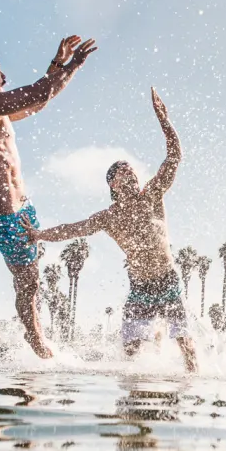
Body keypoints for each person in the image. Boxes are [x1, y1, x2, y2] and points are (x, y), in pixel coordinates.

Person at [23, 88, 197, 372]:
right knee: (129, 352)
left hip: (167, 281)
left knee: (186, 346)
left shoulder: (151, 195)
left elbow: (174, 156)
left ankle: (191, 388)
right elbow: (72, 229)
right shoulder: (109, 218)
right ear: (113, 184)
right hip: (140, 287)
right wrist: (39, 235)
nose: (131, 172)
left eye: (132, 169)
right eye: (123, 171)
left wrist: (164, 120)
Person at [0, 36, 96, 359]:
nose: (3, 72)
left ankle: (36, 340)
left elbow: (38, 102)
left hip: (23, 209)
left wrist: (59, 65)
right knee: (28, 281)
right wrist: (71, 64)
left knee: (30, 279)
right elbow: (38, 91)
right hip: (6, 215)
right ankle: (37, 344)